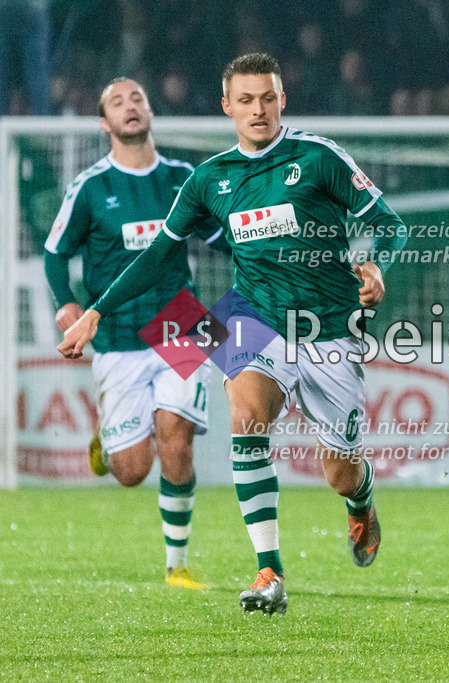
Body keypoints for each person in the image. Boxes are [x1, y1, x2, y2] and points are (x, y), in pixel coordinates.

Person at [58, 53, 409, 615]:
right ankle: (269, 570)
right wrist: (95, 310)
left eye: (267, 98)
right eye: (245, 100)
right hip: (250, 314)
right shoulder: (209, 179)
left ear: (282, 100)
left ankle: (360, 499)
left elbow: (388, 224)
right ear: (227, 107)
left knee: (339, 471)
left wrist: (375, 265)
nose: (258, 109)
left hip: (326, 324)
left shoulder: (318, 159)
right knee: (245, 415)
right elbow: (158, 255)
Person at [44, 78, 228, 590]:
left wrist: (269, 256)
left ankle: (177, 566)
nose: (130, 106)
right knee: (130, 472)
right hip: (117, 334)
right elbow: (55, 252)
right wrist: (68, 303)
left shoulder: (183, 178)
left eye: (138, 99)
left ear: (150, 113)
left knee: (177, 435)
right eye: (118, 102)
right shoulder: (90, 188)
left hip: (184, 322)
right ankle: (110, 439)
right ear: (104, 123)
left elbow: (223, 239)